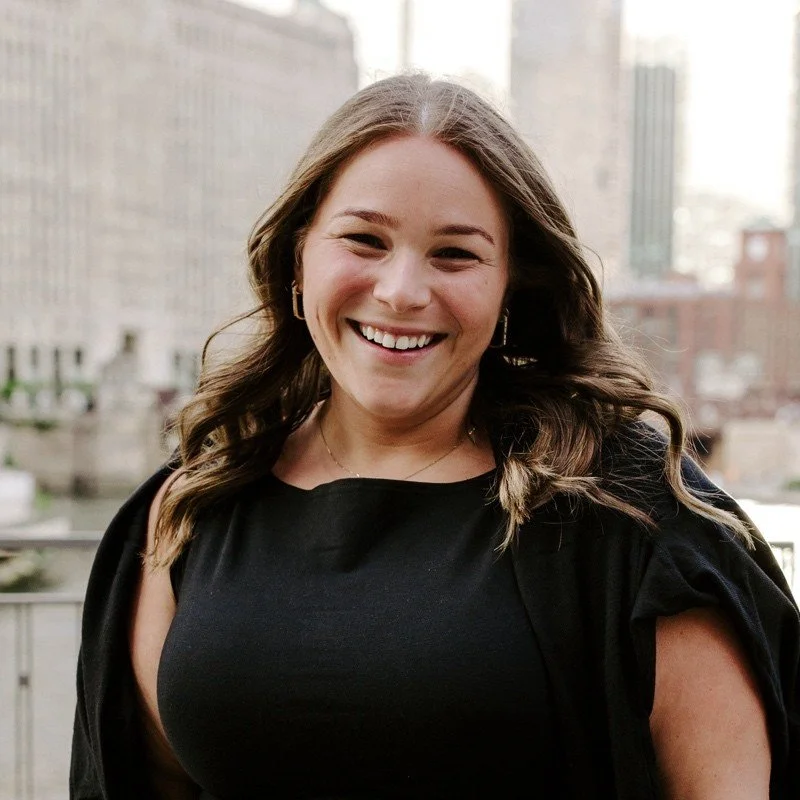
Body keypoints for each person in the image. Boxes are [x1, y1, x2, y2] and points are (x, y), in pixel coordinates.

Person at [71, 73, 800, 800]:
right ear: (299, 258)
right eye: (363, 239)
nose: (401, 291)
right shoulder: (195, 505)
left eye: (455, 254)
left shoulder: (640, 521)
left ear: (511, 284)